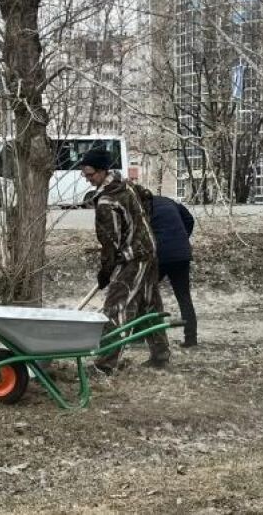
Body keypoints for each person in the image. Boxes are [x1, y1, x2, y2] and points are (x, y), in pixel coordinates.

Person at [80, 147, 170, 373]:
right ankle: (160, 355)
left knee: (115, 307)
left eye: (90, 174)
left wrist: (105, 272)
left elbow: (109, 244)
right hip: (149, 251)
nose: (87, 179)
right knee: (149, 304)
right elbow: (147, 196)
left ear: (102, 172)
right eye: (85, 174)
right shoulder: (127, 185)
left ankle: (104, 364)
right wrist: (141, 229)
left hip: (133, 258)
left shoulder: (106, 203)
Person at [150, 195, 198, 348]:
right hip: (182, 253)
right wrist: (182, 238)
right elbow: (189, 219)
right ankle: (191, 339)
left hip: (161, 255)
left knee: (146, 293)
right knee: (184, 296)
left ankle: (142, 334)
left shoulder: (142, 207)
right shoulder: (169, 201)